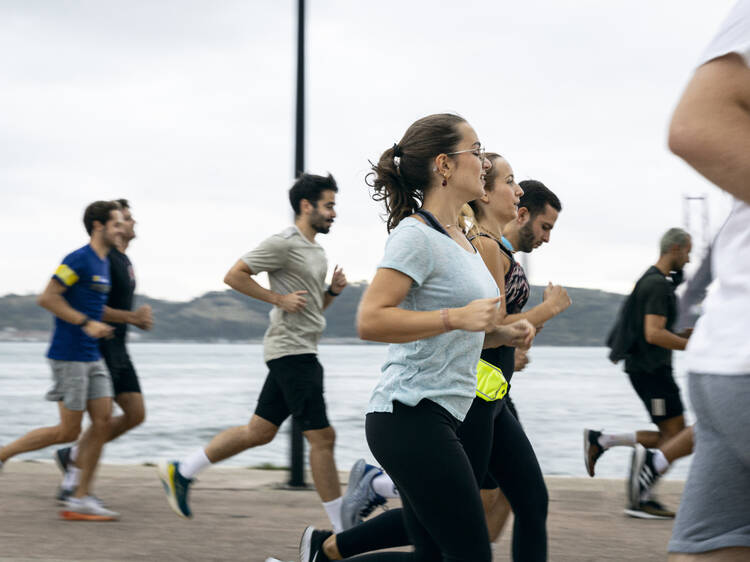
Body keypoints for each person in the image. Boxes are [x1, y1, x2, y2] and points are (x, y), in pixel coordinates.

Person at [300, 127, 537, 562]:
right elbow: (370, 319)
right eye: (477, 152)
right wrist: (456, 318)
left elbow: (466, 325)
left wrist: (502, 332)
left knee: (431, 557)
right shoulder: (416, 235)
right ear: (444, 165)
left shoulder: (460, 238)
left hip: (448, 412)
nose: (485, 162)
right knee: (470, 554)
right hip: (409, 415)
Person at [158, 173, 351, 533]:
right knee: (322, 438)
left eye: (334, 206)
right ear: (306, 206)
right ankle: (344, 531)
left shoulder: (316, 250)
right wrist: (277, 298)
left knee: (259, 432)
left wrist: (334, 293)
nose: (334, 213)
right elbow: (234, 275)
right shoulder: (283, 242)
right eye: (329, 205)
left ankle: (182, 471)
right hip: (292, 352)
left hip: (298, 347)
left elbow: (309, 310)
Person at [666, 1, 750, 558]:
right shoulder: (654, 285)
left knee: (711, 541)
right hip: (721, 359)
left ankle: (642, 454)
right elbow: (697, 126)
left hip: (723, 357)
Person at [0, 201, 124, 520]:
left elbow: (95, 306)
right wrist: (86, 323)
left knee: (103, 422)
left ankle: (81, 498)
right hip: (69, 355)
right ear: (98, 226)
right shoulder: (77, 259)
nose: (121, 228)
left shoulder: (104, 263)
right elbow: (47, 297)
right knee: (68, 432)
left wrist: (118, 321)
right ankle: (3, 454)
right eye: (116, 223)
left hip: (92, 355)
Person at [585, 227, 693, 519]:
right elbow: (653, 333)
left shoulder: (651, 280)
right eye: (688, 251)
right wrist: (691, 345)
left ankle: (604, 442)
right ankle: (641, 494)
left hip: (649, 368)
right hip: (651, 370)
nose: (689, 258)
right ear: (676, 248)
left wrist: (681, 335)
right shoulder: (657, 285)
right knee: (678, 436)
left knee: (673, 436)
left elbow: (655, 330)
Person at [55, 199, 153, 500]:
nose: (132, 223)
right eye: (127, 219)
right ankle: (75, 478)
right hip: (101, 347)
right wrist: (132, 318)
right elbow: (94, 308)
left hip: (120, 348)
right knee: (100, 421)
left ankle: (74, 454)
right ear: (114, 225)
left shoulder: (123, 260)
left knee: (135, 414)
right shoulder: (104, 259)